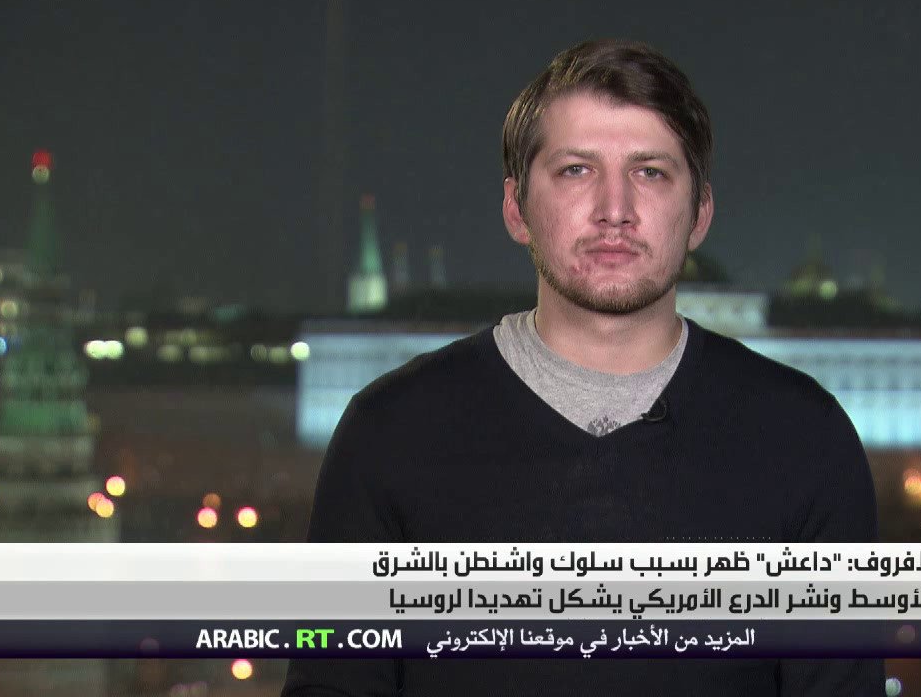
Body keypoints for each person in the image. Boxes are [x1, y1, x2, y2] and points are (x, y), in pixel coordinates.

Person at [283, 38, 883, 696]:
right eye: (576, 170)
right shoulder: (389, 433)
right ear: (516, 208)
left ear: (700, 214)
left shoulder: (805, 437)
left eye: (650, 172)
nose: (614, 209)